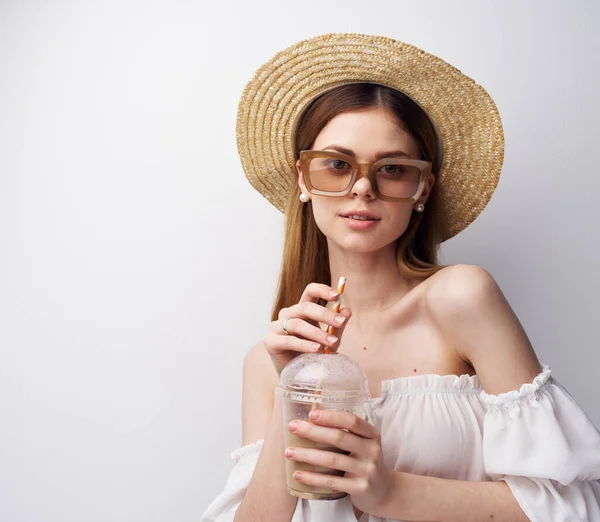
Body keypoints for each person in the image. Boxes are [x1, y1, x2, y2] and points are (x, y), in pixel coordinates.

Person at [201, 32, 600, 522]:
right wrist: (296, 387)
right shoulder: (268, 362)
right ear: (303, 179)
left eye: (391, 168)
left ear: (422, 188)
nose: (362, 188)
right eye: (337, 165)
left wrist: (390, 492)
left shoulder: (460, 298)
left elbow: (571, 508)